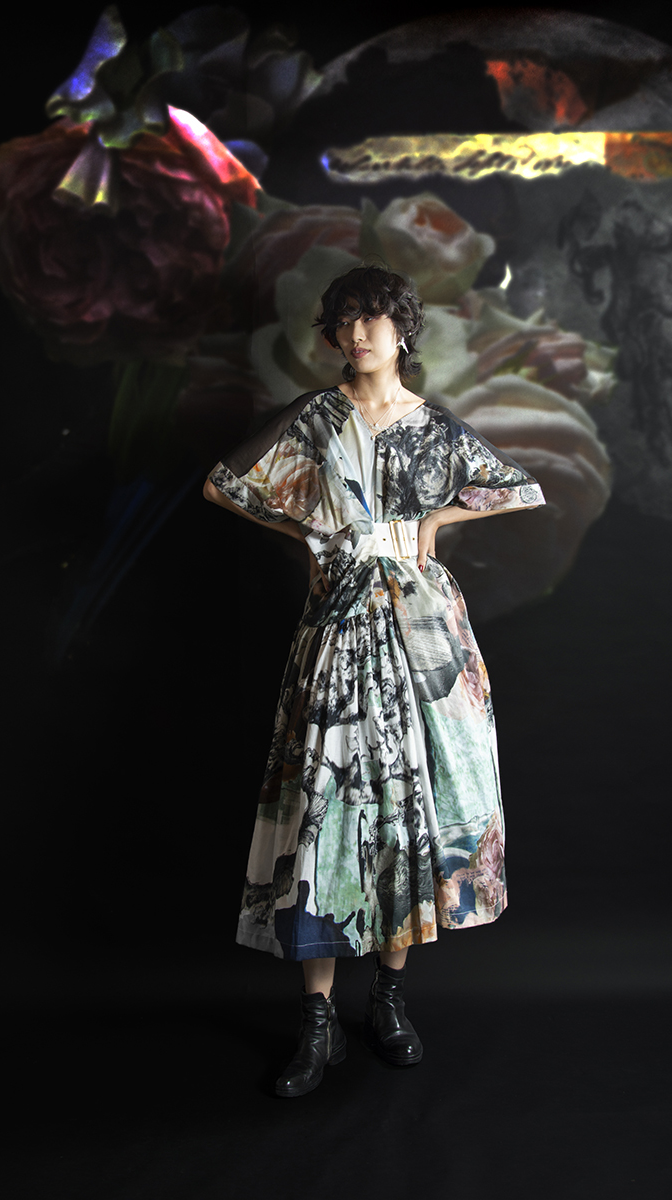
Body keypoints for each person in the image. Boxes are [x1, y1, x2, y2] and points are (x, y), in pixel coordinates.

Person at [203, 264, 545, 1098]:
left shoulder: (434, 426)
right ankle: (317, 1021)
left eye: (375, 318)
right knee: (322, 808)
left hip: (426, 634)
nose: (359, 333)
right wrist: (310, 534)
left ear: (403, 331)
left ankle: (388, 999)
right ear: (333, 333)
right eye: (346, 319)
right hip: (338, 626)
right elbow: (225, 485)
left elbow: (520, 489)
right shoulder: (316, 419)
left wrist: (437, 518)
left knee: (408, 811)